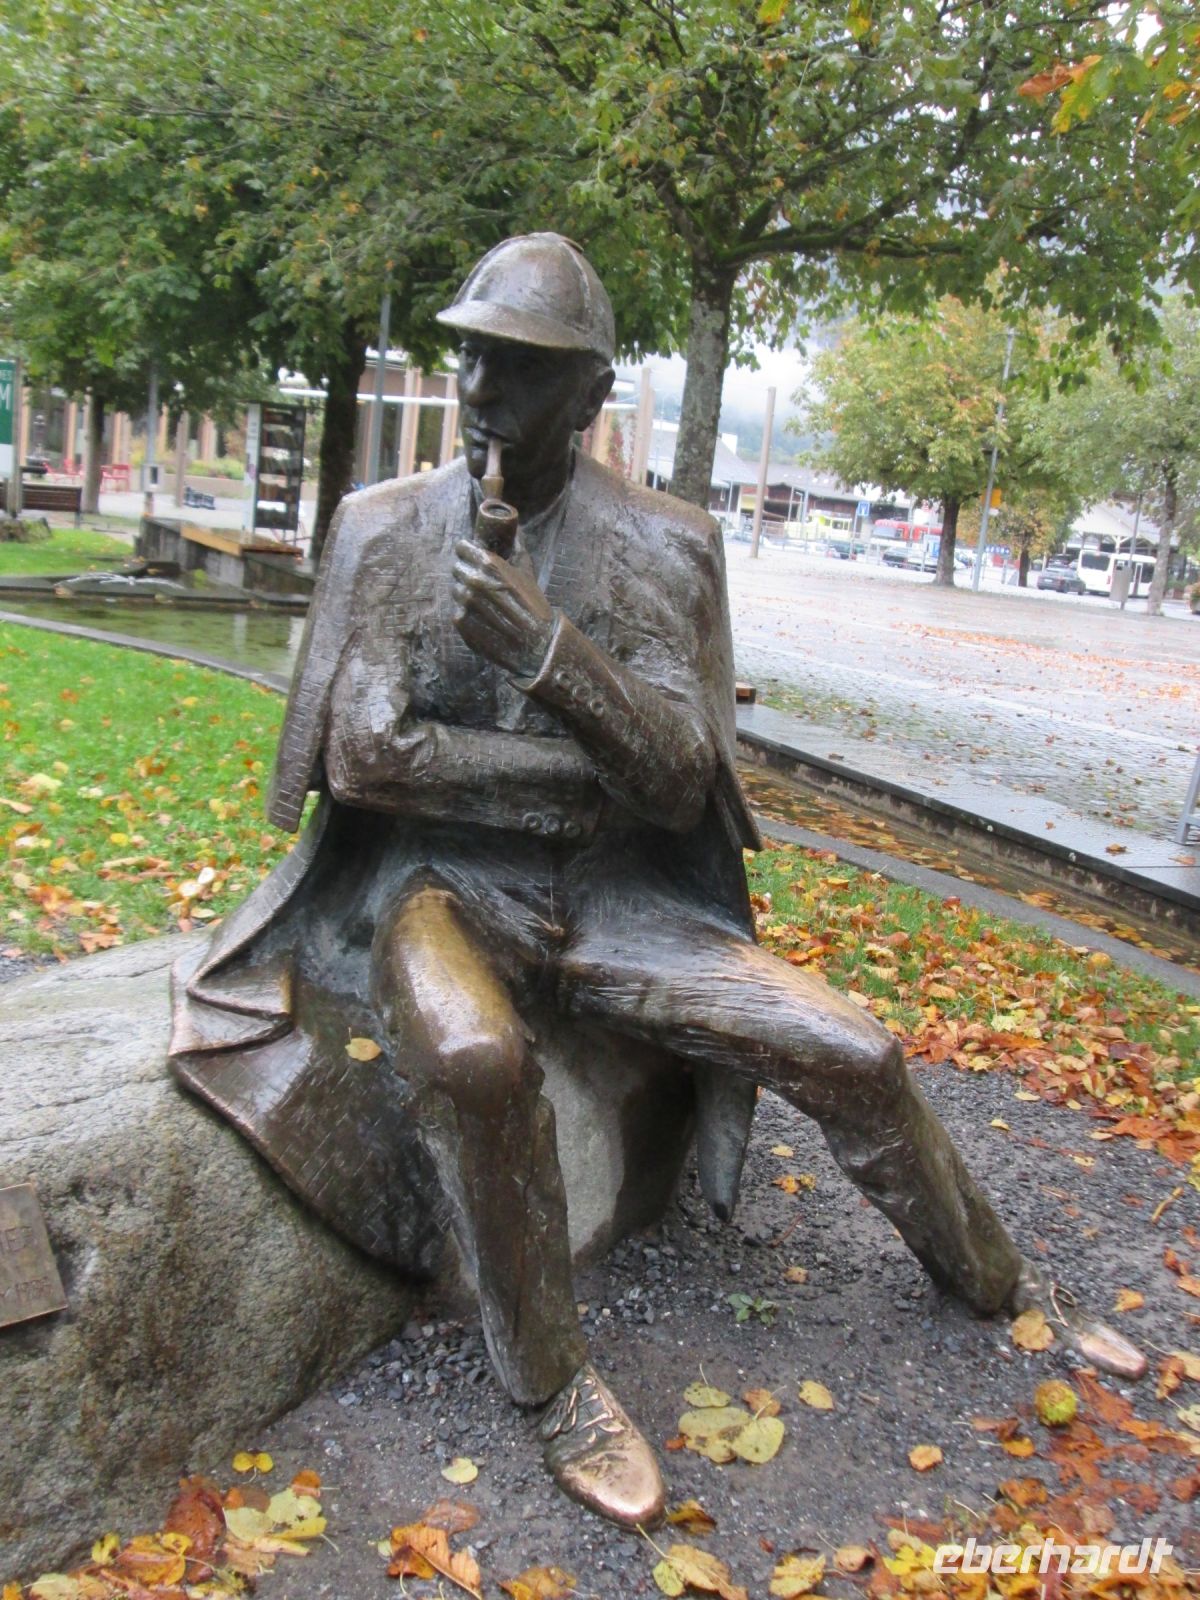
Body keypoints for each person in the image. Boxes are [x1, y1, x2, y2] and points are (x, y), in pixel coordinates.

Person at [170, 234, 1144, 1532]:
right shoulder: (386, 530)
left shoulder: (666, 549)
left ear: (591, 393)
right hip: (440, 890)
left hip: (624, 901)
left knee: (848, 1043)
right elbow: (366, 755)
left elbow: (681, 779)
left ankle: (1003, 1282)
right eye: (471, 360)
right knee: (473, 1059)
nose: (479, 395)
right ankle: (551, 1376)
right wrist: (568, 775)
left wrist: (548, 649)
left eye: (518, 371)